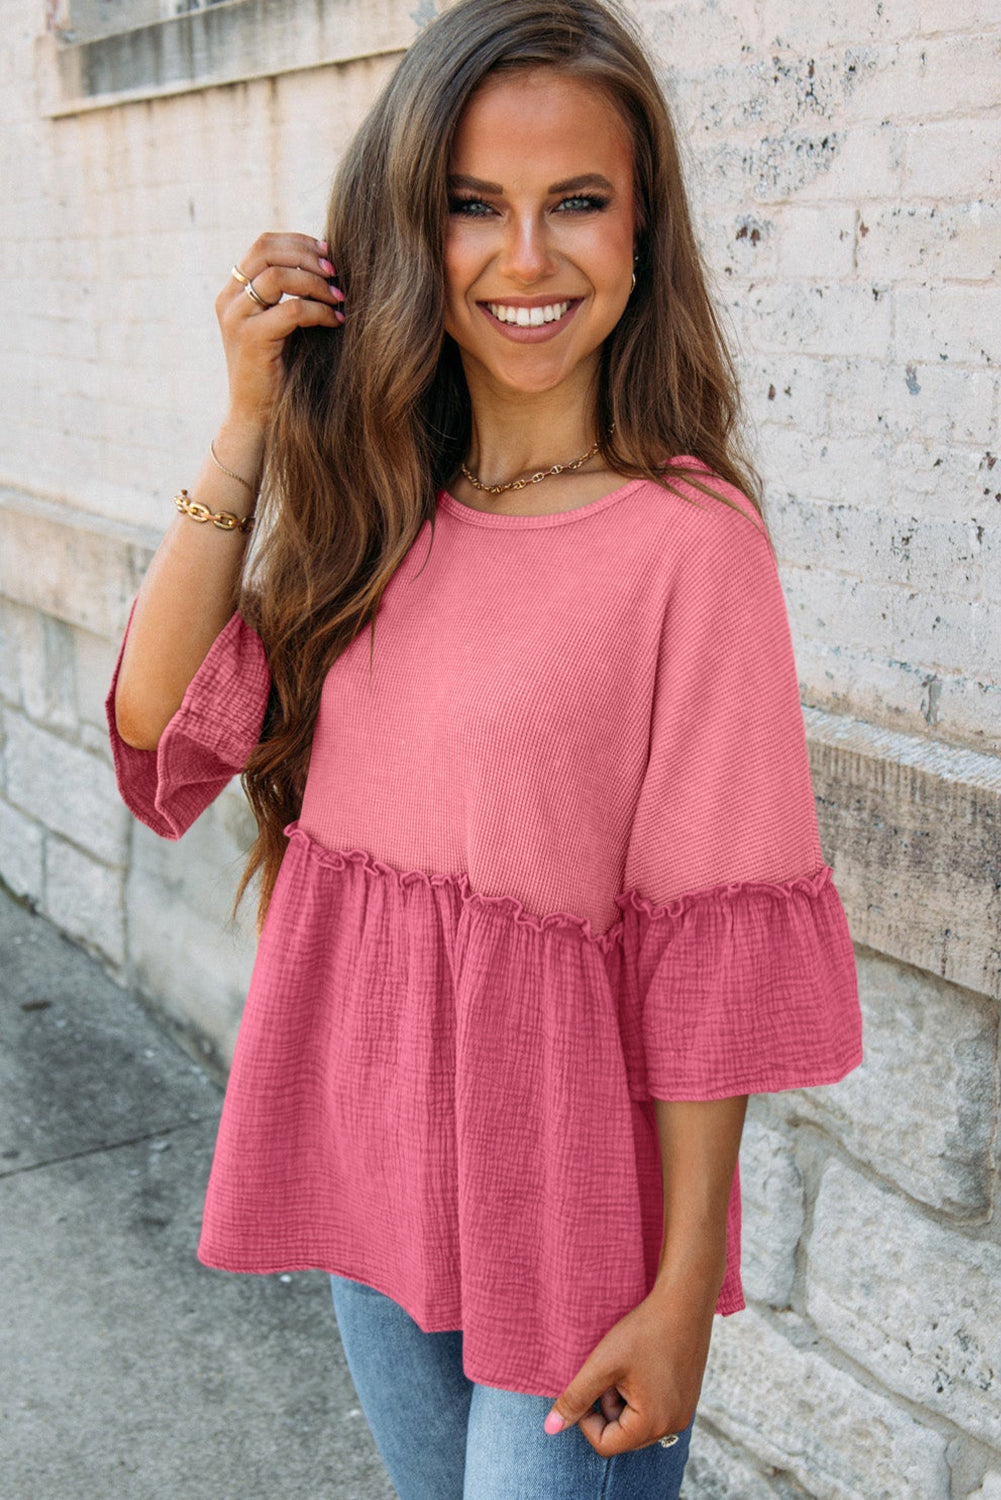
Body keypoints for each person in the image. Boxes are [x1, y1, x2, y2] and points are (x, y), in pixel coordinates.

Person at [105, 0, 864, 1495]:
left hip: (567, 1199)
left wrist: (681, 1292)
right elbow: (153, 725)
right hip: (369, 1147)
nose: (526, 260)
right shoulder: (374, 510)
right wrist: (252, 418)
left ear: (643, 235)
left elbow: (703, 944)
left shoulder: (686, 546)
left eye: (576, 203)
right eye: (473, 209)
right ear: (410, 234)